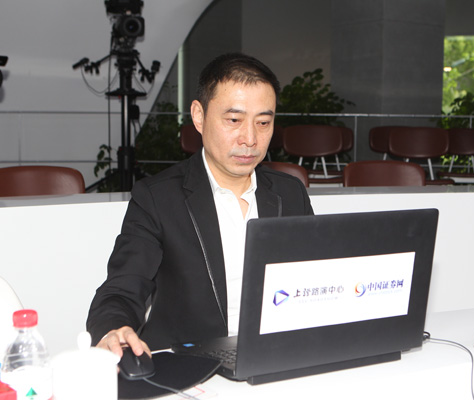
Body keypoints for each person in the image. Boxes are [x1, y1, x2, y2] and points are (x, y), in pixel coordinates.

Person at [86, 53, 314, 360]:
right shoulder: (158, 198)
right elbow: (121, 290)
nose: (250, 139)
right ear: (199, 116)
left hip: (278, 357)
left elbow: (314, 281)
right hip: (190, 364)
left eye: (263, 122)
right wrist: (113, 330)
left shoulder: (290, 193)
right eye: (234, 120)